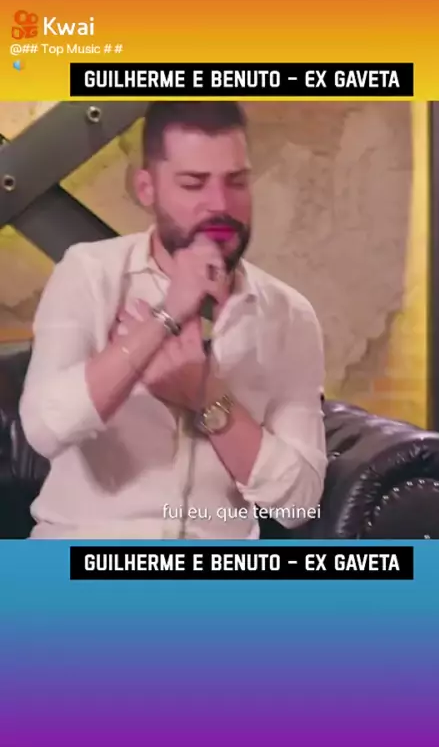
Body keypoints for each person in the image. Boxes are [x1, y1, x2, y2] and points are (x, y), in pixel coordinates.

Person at [19, 101, 328, 539]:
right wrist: (167, 315)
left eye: (236, 182)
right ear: (147, 188)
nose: (220, 205)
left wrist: (207, 395)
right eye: (193, 183)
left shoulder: (289, 315)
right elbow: (45, 428)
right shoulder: (89, 272)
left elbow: (300, 502)